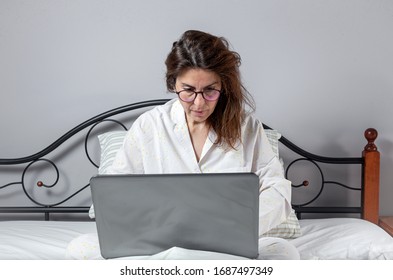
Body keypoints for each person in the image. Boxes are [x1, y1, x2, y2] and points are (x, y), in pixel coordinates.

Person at [110, 30, 299, 259]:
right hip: (163, 245)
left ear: (223, 86)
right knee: (80, 248)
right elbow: (116, 191)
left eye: (210, 90)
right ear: (173, 83)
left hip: (231, 245)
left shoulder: (247, 128)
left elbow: (277, 190)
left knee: (285, 253)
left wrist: (242, 227)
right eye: (188, 90)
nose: (199, 103)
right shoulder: (149, 125)